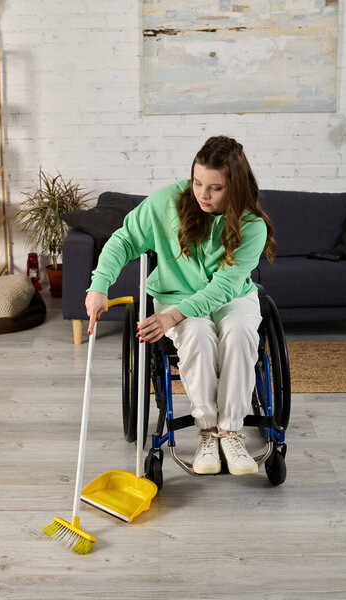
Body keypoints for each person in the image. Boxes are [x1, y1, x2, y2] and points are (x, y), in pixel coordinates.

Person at [85, 136, 276, 476]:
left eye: (214, 188)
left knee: (239, 333)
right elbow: (124, 239)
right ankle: (207, 431)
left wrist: (171, 317)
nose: (202, 194)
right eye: (197, 182)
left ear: (236, 187)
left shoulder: (252, 225)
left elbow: (223, 287)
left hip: (230, 296)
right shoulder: (167, 202)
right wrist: (100, 285)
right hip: (175, 293)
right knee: (197, 335)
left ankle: (230, 431)